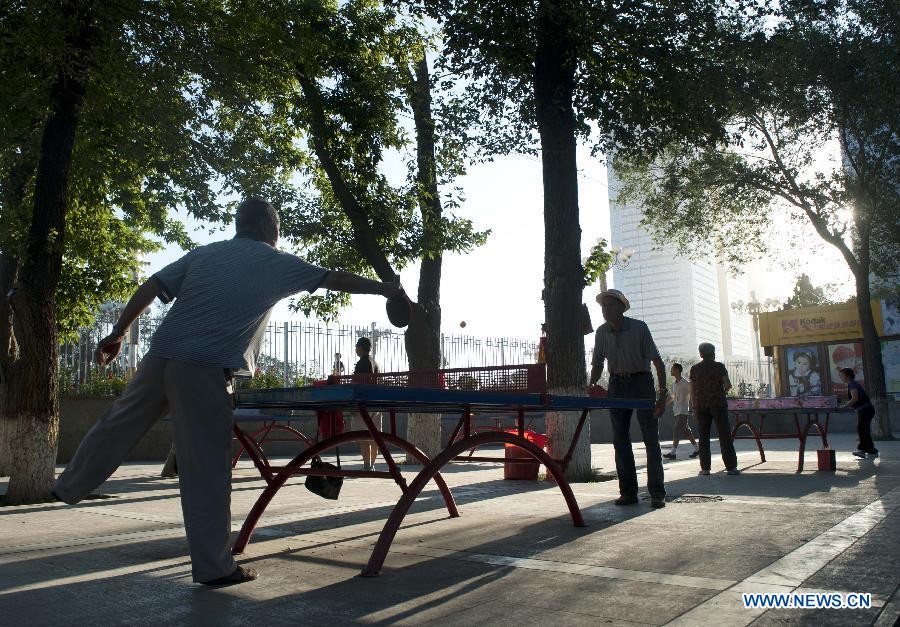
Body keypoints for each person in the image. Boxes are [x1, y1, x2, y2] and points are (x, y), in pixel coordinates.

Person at [53, 197, 403, 586]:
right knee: (206, 470)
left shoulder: (205, 254)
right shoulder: (276, 261)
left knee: (116, 423)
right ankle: (214, 567)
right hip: (203, 369)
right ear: (272, 228)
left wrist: (118, 332)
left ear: (239, 224)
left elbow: (151, 285)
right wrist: (385, 288)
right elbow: (336, 279)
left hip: (161, 357)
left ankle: (67, 485)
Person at [589, 289, 667, 508]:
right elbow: (597, 364)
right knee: (620, 441)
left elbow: (658, 363)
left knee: (651, 441)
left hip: (642, 383)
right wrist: (592, 383)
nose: (606, 310)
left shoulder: (639, 328)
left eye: (611, 306)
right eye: (604, 307)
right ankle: (628, 493)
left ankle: (657, 493)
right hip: (616, 384)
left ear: (622, 308)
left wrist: (662, 394)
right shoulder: (601, 332)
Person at [689, 343, 740, 476]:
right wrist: (721, 390)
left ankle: (705, 468)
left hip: (701, 406)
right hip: (718, 404)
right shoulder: (719, 367)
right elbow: (728, 385)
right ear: (713, 353)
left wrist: (694, 408)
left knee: (703, 437)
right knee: (724, 436)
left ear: (700, 354)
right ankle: (731, 467)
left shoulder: (694, 369)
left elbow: (692, 391)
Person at [351, 337, 383, 470]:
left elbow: (359, 382)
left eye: (356, 347)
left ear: (361, 347)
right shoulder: (375, 362)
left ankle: (367, 465)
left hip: (364, 402)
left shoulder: (362, 363)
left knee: (364, 435)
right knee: (374, 435)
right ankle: (373, 464)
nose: (355, 350)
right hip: (376, 402)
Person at [838, 368, 879, 459]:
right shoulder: (852, 383)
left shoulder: (852, 384)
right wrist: (845, 404)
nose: (840, 377)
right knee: (864, 429)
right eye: (840, 376)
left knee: (862, 428)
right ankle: (871, 450)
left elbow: (855, 398)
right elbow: (854, 399)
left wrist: (844, 407)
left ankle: (863, 450)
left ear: (848, 376)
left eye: (842, 375)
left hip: (865, 410)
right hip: (865, 410)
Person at [663, 363, 698, 459]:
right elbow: (672, 396)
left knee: (676, 429)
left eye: (672, 369)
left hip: (683, 411)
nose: (670, 371)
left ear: (677, 370)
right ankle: (697, 449)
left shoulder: (686, 383)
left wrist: (694, 408)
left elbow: (693, 395)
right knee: (687, 431)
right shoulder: (674, 384)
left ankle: (673, 453)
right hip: (676, 411)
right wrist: (663, 404)